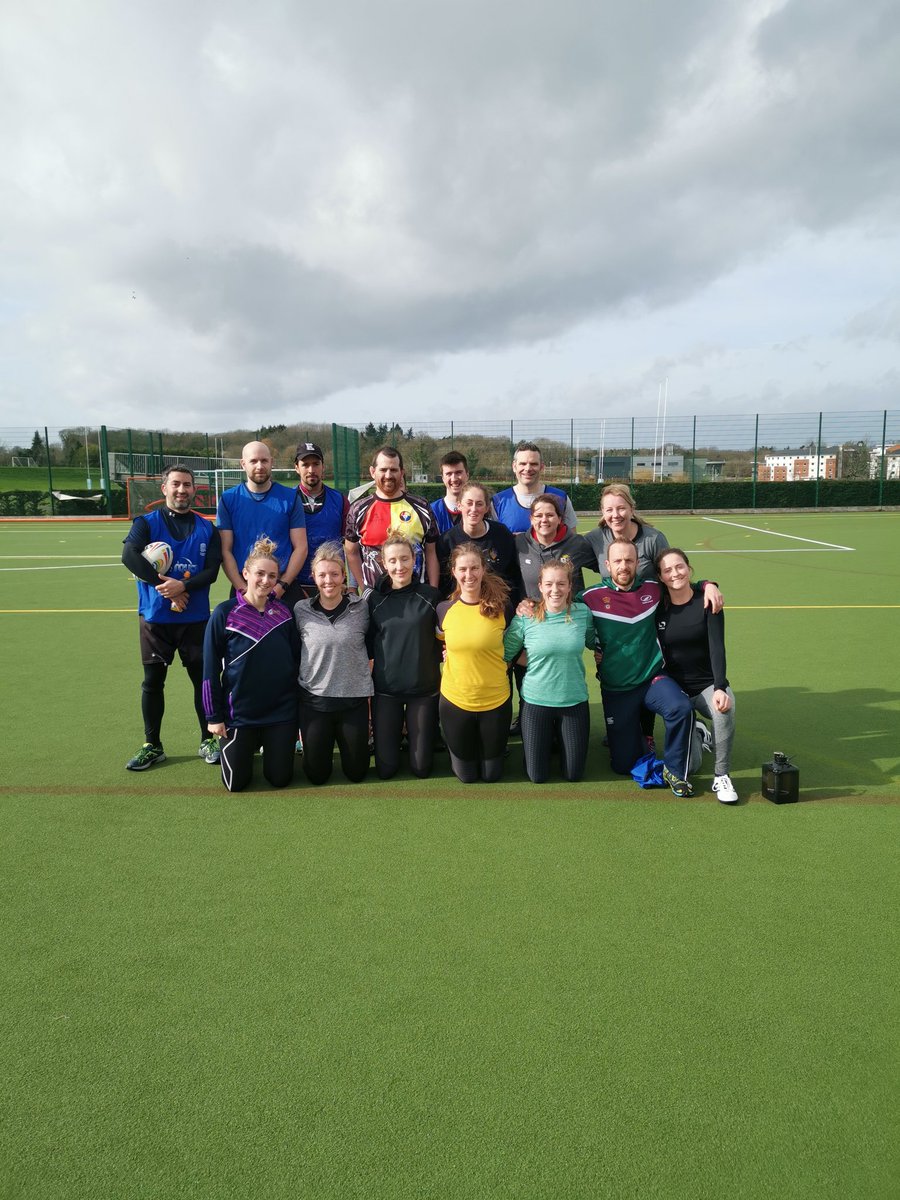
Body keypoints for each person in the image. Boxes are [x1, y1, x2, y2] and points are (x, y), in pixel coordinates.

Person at [122, 464, 222, 770]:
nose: (182, 490)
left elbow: (212, 571)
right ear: (164, 488)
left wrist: (184, 586)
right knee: (153, 682)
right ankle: (152, 745)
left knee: (201, 681)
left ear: (194, 490)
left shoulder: (208, 528)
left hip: (194, 621)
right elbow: (129, 556)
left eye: (188, 485)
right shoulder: (147, 523)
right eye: (176, 484)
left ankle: (208, 738)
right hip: (156, 620)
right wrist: (166, 587)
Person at [580, 539, 697, 797]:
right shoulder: (590, 597)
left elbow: (684, 586)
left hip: (653, 679)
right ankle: (638, 742)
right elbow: (557, 602)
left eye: (629, 560)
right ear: (607, 565)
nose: (624, 566)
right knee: (622, 765)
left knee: (680, 708)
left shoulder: (654, 589)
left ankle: (676, 772)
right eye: (618, 561)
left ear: (638, 563)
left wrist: (709, 586)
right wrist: (528, 606)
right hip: (617, 687)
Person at [202, 538, 301, 792]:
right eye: (260, 574)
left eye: (272, 576)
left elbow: (297, 661)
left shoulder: (284, 613)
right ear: (246, 573)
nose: (266, 581)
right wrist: (214, 717)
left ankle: (271, 747)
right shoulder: (224, 613)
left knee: (279, 779)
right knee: (236, 784)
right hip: (240, 715)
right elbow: (210, 669)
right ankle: (247, 748)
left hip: (281, 713)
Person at [656, 548, 739, 804]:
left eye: (679, 567)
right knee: (689, 767)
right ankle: (698, 731)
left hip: (705, 684)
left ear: (689, 569)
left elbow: (717, 647)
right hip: (675, 689)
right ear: (660, 577)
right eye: (667, 570)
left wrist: (720, 686)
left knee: (724, 709)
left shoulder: (707, 600)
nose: (674, 573)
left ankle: (721, 775)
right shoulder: (658, 606)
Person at [503, 561, 595, 783]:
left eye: (561, 583)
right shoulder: (526, 615)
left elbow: (595, 642)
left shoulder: (583, 613)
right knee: (537, 776)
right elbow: (505, 653)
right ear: (540, 586)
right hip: (536, 703)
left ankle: (557, 741)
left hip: (573, 702)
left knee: (573, 775)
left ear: (570, 586)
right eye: (549, 584)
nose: (556, 590)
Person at [293, 542, 373, 785]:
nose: (329, 580)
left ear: (343, 576)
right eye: (323, 575)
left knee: (357, 773)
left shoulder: (361, 607)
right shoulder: (301, 609)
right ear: (314, 578)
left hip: (354, 700)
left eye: (335, 574)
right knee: (317, 775)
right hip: (316, 701)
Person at [367, 533, 443, 779]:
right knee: (385, 770)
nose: (399, 566)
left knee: (421, 768)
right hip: (386, 691)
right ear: (383, 563)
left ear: (414, 559)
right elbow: (367, 647)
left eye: (405, 559)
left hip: (424, 690)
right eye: (393, 561)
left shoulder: (431, 597)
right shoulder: (374, 600)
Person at [436, 544, 513, 784]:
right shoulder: (443, 610)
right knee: (466, 777)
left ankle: (486, 745)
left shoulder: (503, 607)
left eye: (474, 568)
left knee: (492, 775)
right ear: (454, 571)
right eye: (463, 569)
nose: (468, 575)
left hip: (495, 701)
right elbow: (439, 643)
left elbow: (515, 644)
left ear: (483, 570)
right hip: (456, 701)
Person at [216, 440, 308, 609]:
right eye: (253, 461)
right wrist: (243, 590)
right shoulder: (228, 499)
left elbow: (301, 547)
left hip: (282, 588)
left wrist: (281, 586)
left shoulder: (290, 497)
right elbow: (225, 550)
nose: (259, 466)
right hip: (244, 587)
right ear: (243, 464)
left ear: (271, 462)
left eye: (264, 460)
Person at [344, 446, 439, 590]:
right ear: (372, 472)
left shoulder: (422, 507)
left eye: (393, 470)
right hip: (375, 599)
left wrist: (433, 590)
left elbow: (431, 552)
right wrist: (364, 589)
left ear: (402, 473)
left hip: (415, 598)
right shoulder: (358, 509)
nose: (388, 475)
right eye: (383, 470)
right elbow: (351, 552)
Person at [437, 482, 519, 597]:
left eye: (479, 504)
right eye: (469, 503)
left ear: (487, 508)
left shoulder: (502, 534)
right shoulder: (447, 540)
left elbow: (513, 576)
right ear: (459, 505)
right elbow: (445, 584)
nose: (474, 509)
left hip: (498, 605)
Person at [293, 441, 350, 597]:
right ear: (296, 468)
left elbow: (352, 547)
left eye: (316, 464)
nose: (311, 470)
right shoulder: (287, 500)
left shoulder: (340, 500)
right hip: (297, 585)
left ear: (323, 466)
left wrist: (351, 585)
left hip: (333, 584)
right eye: (305, 464)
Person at [514, 493, 595, 601]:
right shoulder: (519, 543)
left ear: (559, 519)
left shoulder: (577, 544)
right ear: (531, 519)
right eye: (538, 516)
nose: (544, 520)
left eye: (550, 515)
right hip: (532, 615)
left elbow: (606, 568)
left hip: (569, 615)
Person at [491, 441, 578, 533]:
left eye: (533, 464)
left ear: (542, 467)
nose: (528, 469)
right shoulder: (498, 501)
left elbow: (572, 541)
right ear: (514, 466)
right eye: (523, 464)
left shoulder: (560, 498)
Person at [430, 451, 469, 535]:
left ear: (467, 474)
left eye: (458, 472)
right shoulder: (431, 511)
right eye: (449, 474)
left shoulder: (477, 510)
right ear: (443, 478)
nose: (454, 479)